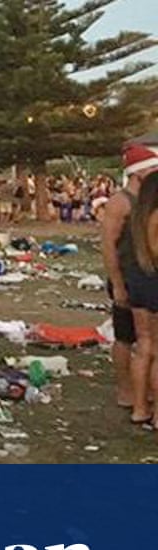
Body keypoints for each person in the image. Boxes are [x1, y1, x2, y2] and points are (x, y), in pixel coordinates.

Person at [106, 142, 158, 422]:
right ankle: (127, 391)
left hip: (140, 279)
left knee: (145, 342)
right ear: (138, 174)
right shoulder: (121, 202)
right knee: (128, 338)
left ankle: (142, 399)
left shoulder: (147, 205)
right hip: (133, 279)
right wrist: (116, 283)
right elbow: (108, 246)